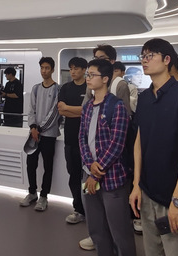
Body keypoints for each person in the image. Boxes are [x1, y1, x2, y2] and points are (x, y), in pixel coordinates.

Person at [129, 38, 178, 256]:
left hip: (174, 196)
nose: (144, 60)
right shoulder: (144, 97)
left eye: (150, 56)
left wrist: (177, 200)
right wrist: (136, 184)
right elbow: (139, 141)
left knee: (176, 251)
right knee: (151, 251)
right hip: (147, 192)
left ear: (167, 60)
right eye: (142, 56)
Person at [80, 58, 136, 256]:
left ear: (105, 79)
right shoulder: (88, 107)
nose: (88, 78)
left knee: (119, 231)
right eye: (87, 74)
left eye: (92, 74)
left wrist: (96, 172)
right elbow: (82, 138)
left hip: (112, 178)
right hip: (89, 175)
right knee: (97, 229)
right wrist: (90, 165)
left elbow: (117, 144)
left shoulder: (117, 106)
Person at [20, 57, 60, 211]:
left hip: (49, 134)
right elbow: (31, 110)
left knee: (48, 166)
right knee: (31, 164)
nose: (44, 71)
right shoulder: (36, 88)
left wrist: (40, 129)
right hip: (34, 134)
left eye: (47, 68)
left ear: (52, 69)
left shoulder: (57, 89)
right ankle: (32, 193)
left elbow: (54, 113)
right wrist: (33, 128)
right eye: (42, 68)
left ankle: (44, 196)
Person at [57, 57, 88, 224]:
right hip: (70, 139)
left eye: (76, 68)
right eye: (71, 68)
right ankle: (78, 209)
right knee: (73, 175)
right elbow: (61, 111)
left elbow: (89, 111)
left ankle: (92, 210)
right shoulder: (65, 88)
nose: (73, 71)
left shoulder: (89, 87)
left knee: (89, 177)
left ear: (84, 70)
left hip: (87, 141)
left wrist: (71, 109)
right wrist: (80, 111)